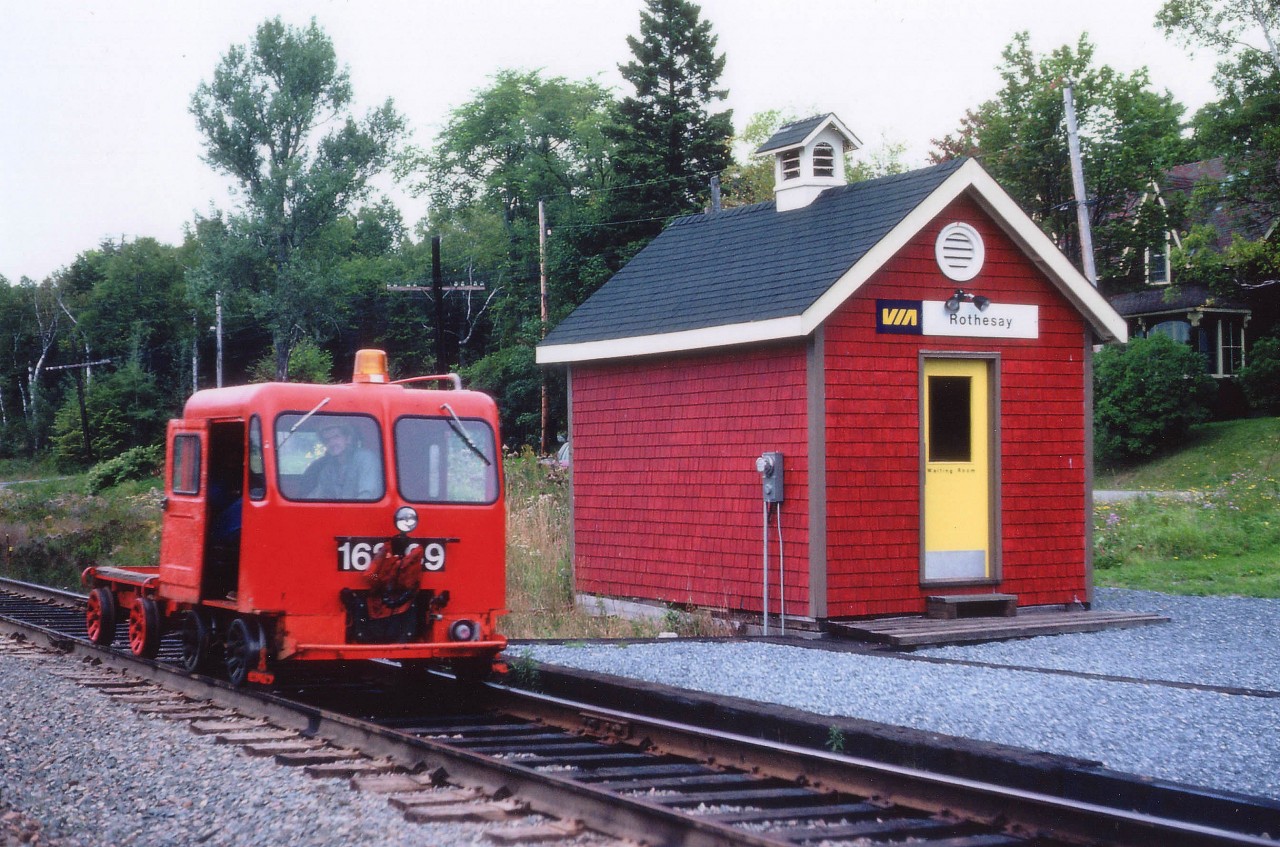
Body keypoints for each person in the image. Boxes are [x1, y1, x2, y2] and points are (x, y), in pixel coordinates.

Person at [302, 420, 381, 500]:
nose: (332, 443)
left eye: (336, 437)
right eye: (327, 440)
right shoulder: (328, 470)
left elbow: (368, 497)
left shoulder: (366, 460)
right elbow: (316, 497)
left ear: (348, 439)